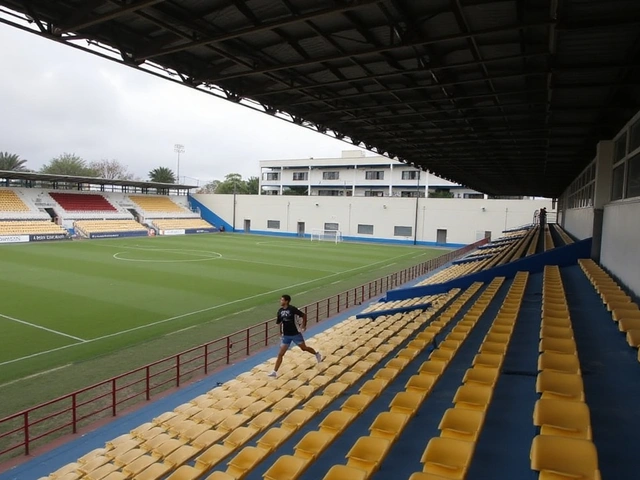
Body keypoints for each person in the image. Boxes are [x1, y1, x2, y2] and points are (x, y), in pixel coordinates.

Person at [268, 294, 322, 377]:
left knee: (304, 348)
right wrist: (280, 333)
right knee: (280, 354)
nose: (280, 301)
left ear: (286, 301)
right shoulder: (280, 311)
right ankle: (274, 371)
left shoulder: (292, 309)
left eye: (282, 300)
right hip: (286, 336)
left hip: (295, 334)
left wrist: (304, 325)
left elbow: (304, 315)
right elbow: (279, 323)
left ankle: (316, 354)